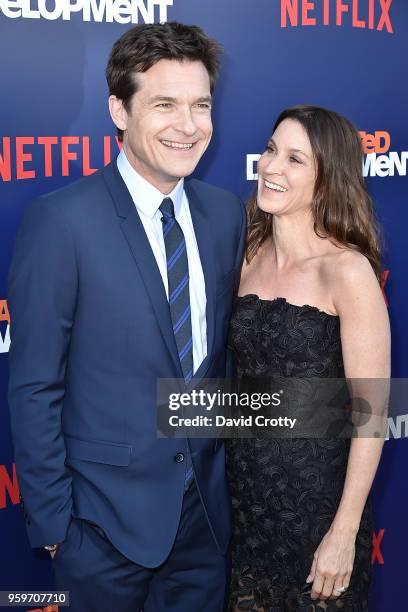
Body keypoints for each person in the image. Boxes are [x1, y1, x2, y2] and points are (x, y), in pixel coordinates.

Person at [7, 23, 246, 612]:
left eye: (201, 106)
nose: (188, 126)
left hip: (205, 525)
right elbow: (35, 385)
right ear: (119, 108)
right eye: (164, 104)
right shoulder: (61, 221)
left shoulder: (225, 217)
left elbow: (223, 365)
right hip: (100, 529)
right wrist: (59, 528)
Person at [226, 105, 390, 611]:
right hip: (245, 502)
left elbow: (371, 414)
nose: (272, 167)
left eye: (295, 159)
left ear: (326, 179)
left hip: (317, 505)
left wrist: (344, 531)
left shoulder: (348, 271)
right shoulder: (246, 254)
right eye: (272, 150)